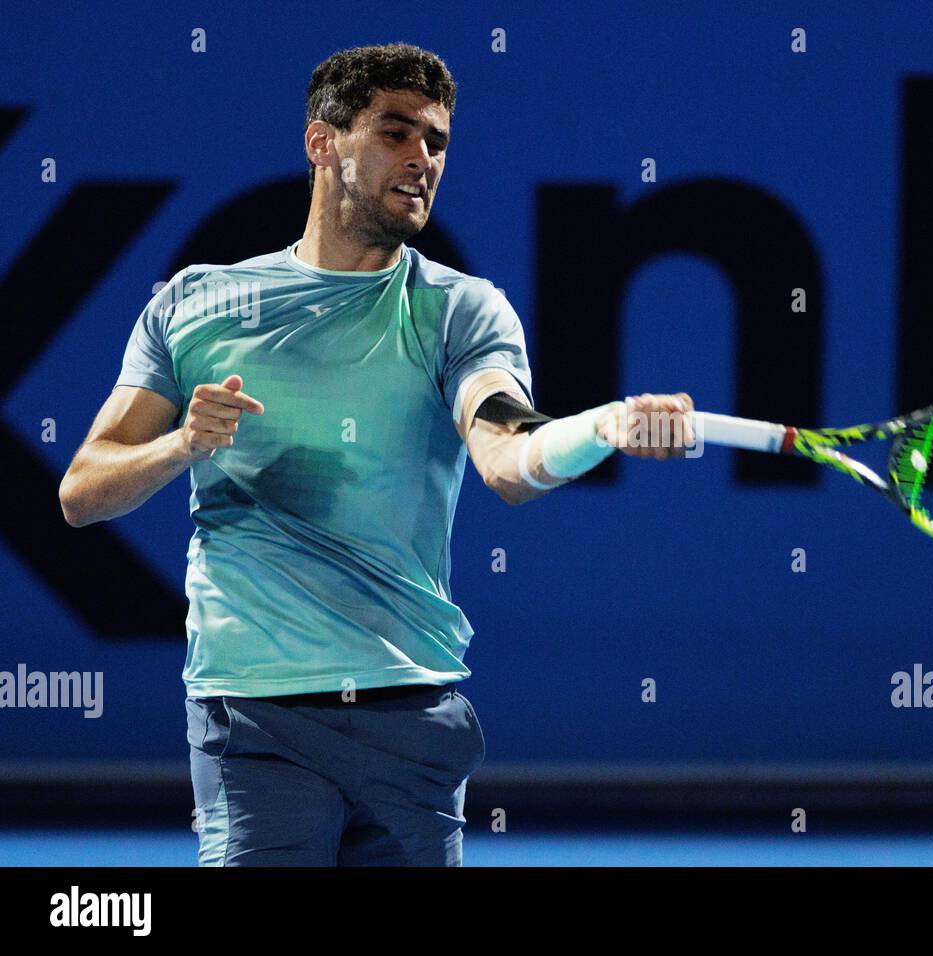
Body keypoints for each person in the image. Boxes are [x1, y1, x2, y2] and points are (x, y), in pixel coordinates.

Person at [57, 42, 694, 866]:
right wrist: (183, 443)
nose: (422, 159)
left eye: (436, 142)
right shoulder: (197, 303)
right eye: (396, 133)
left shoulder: (462, 311)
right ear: (323, 142)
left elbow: (506, 457)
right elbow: (81, 491)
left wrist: (603, 426)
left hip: (415, 720)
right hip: (255, 714)